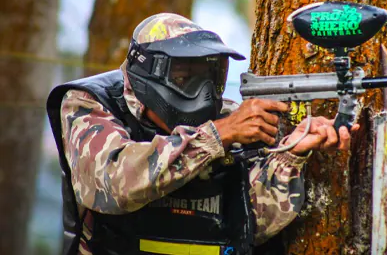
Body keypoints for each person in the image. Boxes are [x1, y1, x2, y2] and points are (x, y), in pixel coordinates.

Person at [46, 13, 358, 255]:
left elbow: (252, 222)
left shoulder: (227, 119)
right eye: (187, 75)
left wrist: (292, 153)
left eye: (212, 74)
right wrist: (216, 137)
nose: (205, 92)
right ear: (150, 73)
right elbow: (114, 183)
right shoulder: (90, 104)